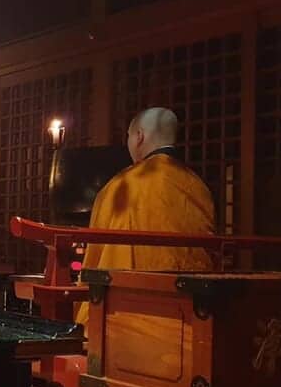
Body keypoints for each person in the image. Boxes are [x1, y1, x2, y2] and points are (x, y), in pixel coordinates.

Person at [77, 107, 215, 324]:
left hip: (125, 313)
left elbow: (94, 257)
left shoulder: (119, 185)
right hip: (191, 313)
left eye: (129, 137)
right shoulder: (198, 186)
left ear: (139, 137)